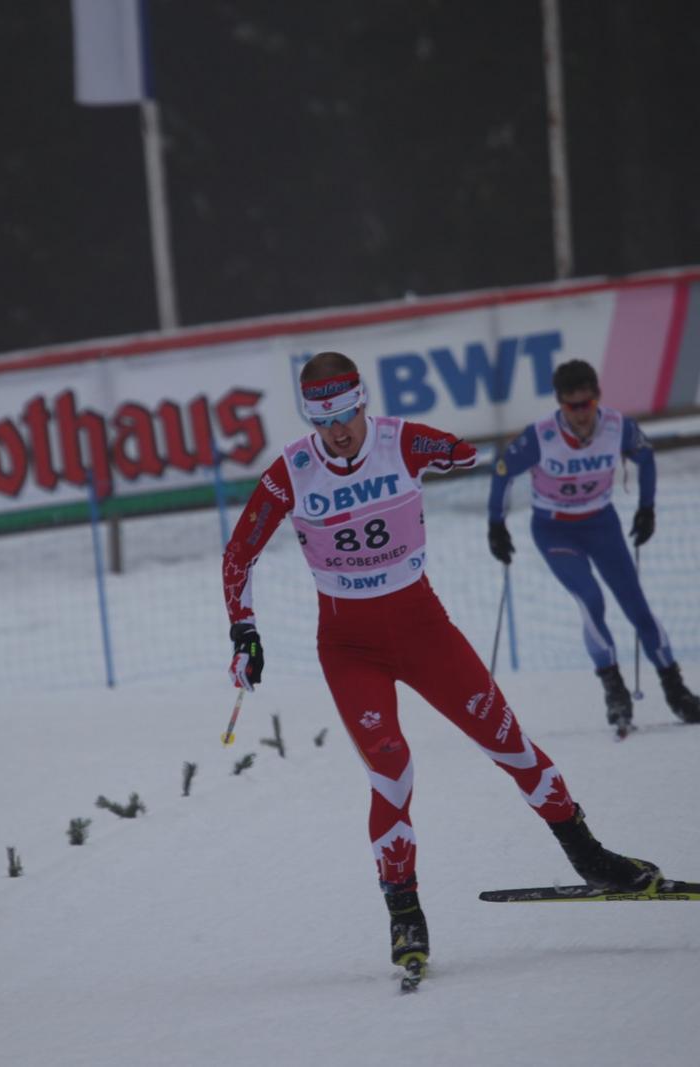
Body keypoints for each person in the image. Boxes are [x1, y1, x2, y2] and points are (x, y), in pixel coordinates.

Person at [222, 351, 660, 975]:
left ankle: (589, 855)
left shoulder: (397, 441)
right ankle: (405, 912)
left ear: (363, 402)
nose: (339, 431)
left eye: (347, 414)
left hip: (424, 630)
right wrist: (245, 634)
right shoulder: (290, 472)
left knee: (509, 743)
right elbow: (239, 554)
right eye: (324, 421)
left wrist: (440, 449)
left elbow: (462, 452)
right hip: (350, 647)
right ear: (309, 421)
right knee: (391, 767)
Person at [487, 358, 700, 731]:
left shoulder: (617, 427)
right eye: (572, 406)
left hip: (602, 525)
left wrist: (646, 509)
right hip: (555, 531)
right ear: (560, 404)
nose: (582, 415)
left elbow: (646, 458)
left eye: (587, 404)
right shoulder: (542, 436)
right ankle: (614, 689)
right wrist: (496, 525)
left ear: (597, 398)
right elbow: (503, 470)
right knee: (591, 598)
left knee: (638, 609)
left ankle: (676, 691)